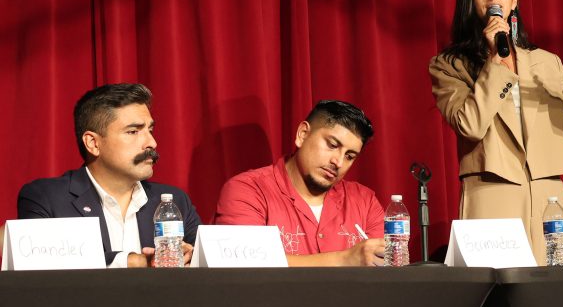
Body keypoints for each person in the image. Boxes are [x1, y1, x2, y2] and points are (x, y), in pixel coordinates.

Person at [429, 0, 563, 264]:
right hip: (491, 190)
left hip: (548, 197)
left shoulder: (547, 62)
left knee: (551, 295)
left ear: (514, 0)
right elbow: (471, 125)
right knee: (496, 293)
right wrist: (495, 62)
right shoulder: (449, 65)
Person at [17, 83, 200, 267]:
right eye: (133, 132)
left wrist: (191, 258)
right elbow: (43, 267)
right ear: (93, 143)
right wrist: (135, 262)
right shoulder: (48, 199)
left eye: (150, 130)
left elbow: (208, 267)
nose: (151, 142)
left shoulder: (174, 201)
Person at [214, 100, 385, 266]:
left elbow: (387, 272)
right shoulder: (248, 190)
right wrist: (345, 259)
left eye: (350, 156)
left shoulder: (365, 202)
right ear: (302, 134)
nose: (338, 162)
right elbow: (242, 267)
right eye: (332, 145)